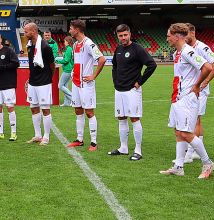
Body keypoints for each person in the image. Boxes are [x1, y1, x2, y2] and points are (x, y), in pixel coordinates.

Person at [159, 23, 214, 179]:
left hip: (187, 99)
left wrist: (197, 85)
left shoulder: (187, 51)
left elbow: (207, 67)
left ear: (177, 36)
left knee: (185, 133)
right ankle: (178, 166)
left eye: (169, 35)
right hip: (177, 97)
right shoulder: (178, 52)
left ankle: (208, 163)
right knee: (178, 132)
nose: (167, 38)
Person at [107, 24, 157, 160]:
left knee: (134, 119)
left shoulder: (137, 49)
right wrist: (115, 82)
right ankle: (123, 148)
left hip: (132, 91)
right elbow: (114, 67)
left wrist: (140, 82)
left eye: (125, 35)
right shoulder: (118, 49)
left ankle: (138, 150)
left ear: (130, 34)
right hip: (119, 90)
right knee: (121, 118)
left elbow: (152, 65)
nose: (123, 38)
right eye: (120, 36)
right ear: (117, 36)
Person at [178, 23, 214, 163]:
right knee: (196, 119)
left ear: (193, 32)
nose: (184, 38)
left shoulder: (201, 47)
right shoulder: (187, 49)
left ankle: (189, 154)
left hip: (199, 91)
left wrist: (206, 81)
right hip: (190, 90)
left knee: (193, 120)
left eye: (186, 34)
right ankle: (196, 151)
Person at [67, 19, 106, 151]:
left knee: (89, 112)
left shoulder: (89, 43)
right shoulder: (75, 44)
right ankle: (79, 139)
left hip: (86, 84)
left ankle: (94, 142)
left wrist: (93, 76)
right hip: (76, 83)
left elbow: (102, 59)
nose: (69, 30)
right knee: (78, 110)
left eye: (71, 28)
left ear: (77, 30)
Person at [24, 23, 55, 145]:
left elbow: (52, 65)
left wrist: (47, 78)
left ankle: (46, 136)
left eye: (26, 32)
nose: (25, 34)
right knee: (33, 108)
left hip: (44, 83)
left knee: (45, 109)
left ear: (33, 31)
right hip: (32, 82)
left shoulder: (45, 46)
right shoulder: (30, 45)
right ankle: (37, 135)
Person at [0, 34, 19, 141]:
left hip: (8, 84)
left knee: (10, 107)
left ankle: (13, 132)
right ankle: (1, 132)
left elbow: (16, 63)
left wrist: (3, 67)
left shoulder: (8, 51)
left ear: (1, 40)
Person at [55, 36, 74, 107]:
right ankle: (67, 102)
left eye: (65, 41)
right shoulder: (69, 49)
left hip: (68, 69)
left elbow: (66, 60)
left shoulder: (69, 49)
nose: (64, 42)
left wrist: (57, 60)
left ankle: (73, 98)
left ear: (68, 42)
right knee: (65, 86)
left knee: (60, 85)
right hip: (68, 69)